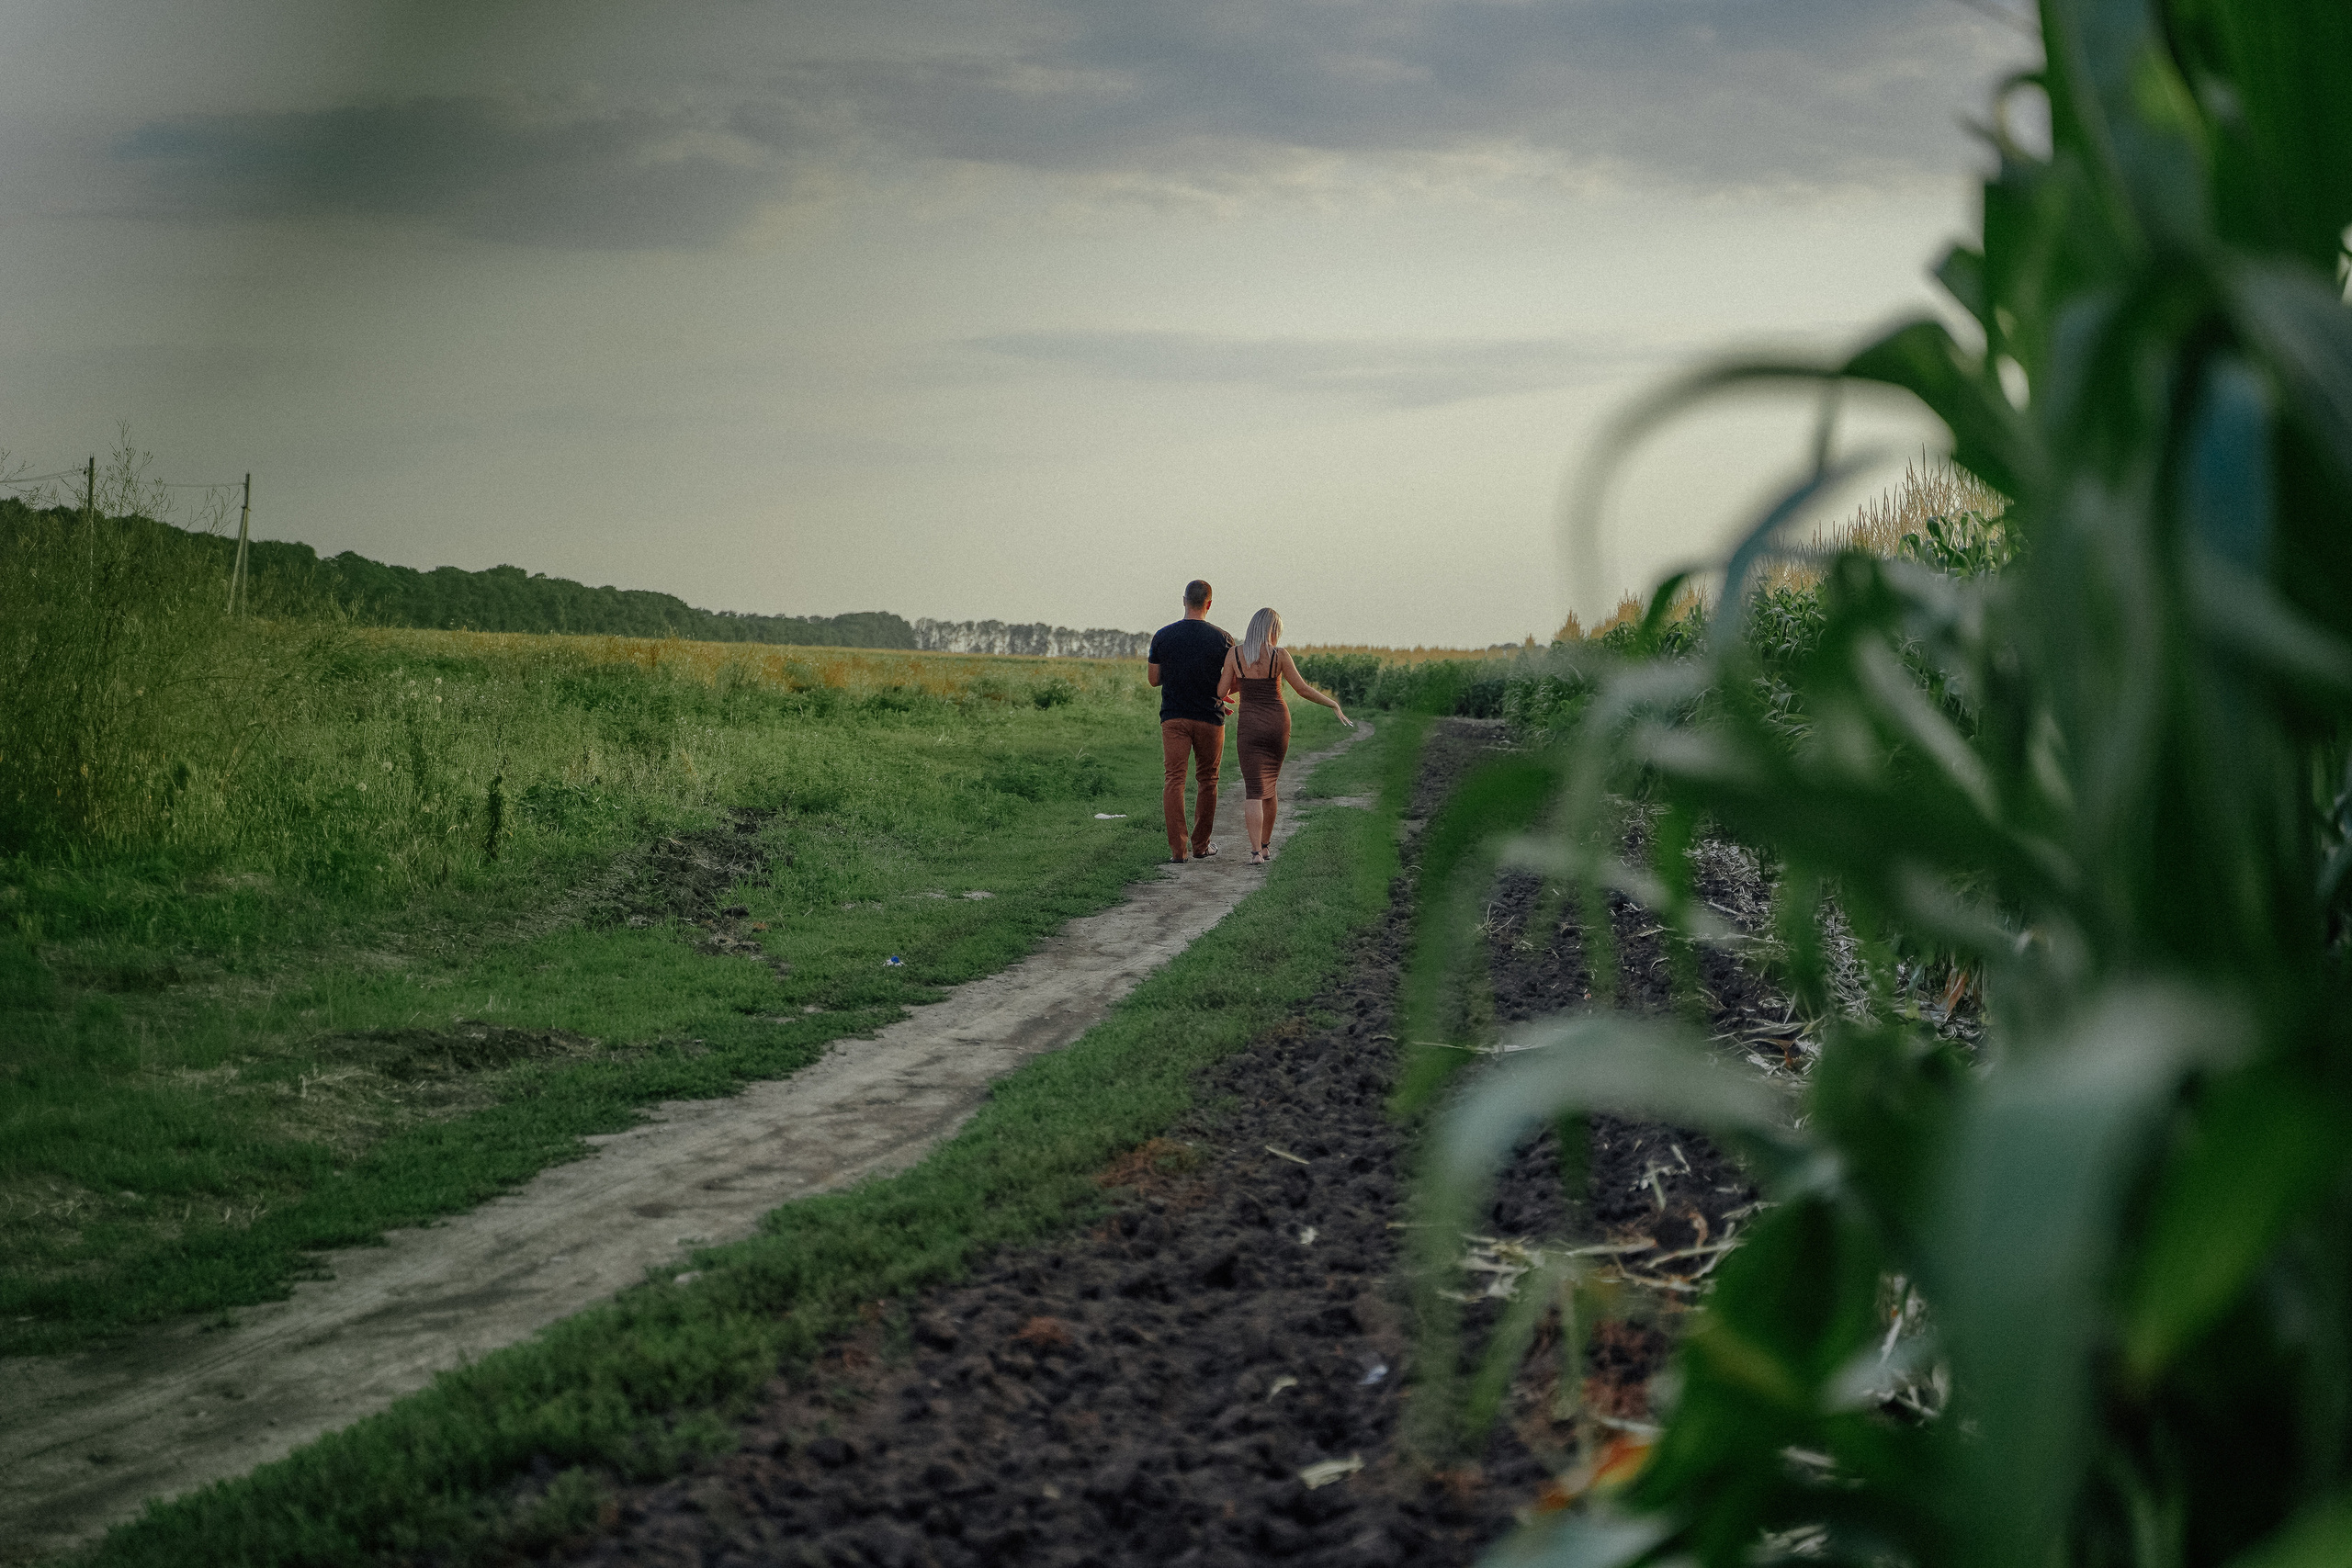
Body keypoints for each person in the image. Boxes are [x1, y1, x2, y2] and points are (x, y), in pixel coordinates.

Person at [1217, 608, 1352, 865]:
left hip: (1250, 727)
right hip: (1278, 724)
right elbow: (1302, 689)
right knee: (1270, 786)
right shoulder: (1279, 656)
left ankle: (1256, 852)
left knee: (1254, 790)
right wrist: (1332, 703)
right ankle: (1266, 846)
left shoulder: (1234, 654)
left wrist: (1233, 689)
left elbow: (1222, 690)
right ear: (1273, 630)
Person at [1146, 579, 1234, 864]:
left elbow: (1153, 679)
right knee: (1208, 780)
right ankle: (1201, 846)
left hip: (1174, 717)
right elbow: (1231, 681)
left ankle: (1178, 851)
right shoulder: (1223, 639)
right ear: (1209, 603)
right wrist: (1220, 694)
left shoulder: (1162, 636)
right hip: (1210, 716)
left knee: (1174, 780)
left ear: (1184, 600)